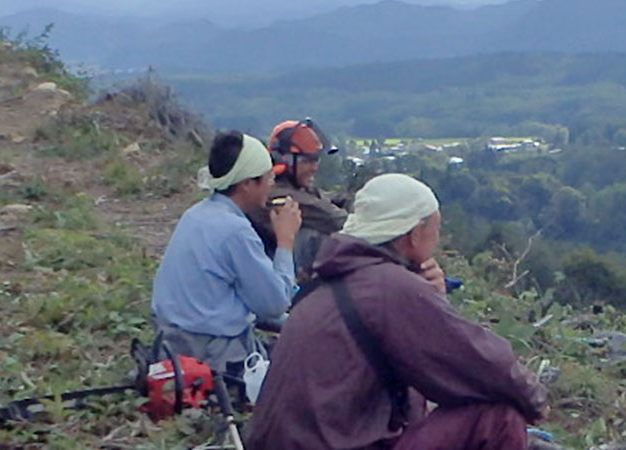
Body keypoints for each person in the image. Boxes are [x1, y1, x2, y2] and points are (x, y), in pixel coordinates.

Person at [249, 174, 546, 450]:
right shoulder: (389, 286)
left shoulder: (326, 284)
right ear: (415, 235)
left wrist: (432, 298)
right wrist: (534, 398)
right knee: (498, 417)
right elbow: (480, 362)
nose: (437, 240)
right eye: (435, 229)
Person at [151, 131, 304, 369]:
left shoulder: (195, 215)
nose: (272, 184)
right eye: (267, 177)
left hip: (171, 343)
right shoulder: (235, 231)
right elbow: (274, 304)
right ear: (246, 184)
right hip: (213, 351)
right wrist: (286, 241)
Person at [270, 119, 349, 282]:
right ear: (284, 160)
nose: (315, 168)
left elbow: (329, 199)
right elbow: (336, 219)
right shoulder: (280, 197)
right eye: (307, 161)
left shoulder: (299, 189)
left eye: (316, 160)